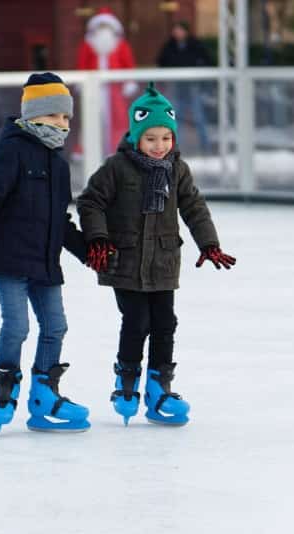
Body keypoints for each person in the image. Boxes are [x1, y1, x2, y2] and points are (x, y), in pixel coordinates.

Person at [76, 83, 236, 427]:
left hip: (163, 261)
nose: (159, 146)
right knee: (137, 321)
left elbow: (194, 206)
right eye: (151, 138)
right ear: (136, 137)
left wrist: (208, 243)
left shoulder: (178, 169)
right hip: (125, 260)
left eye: (166, 138)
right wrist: (99, 239)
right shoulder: (116, 167)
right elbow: (90, 202)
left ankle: (159, 387)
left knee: (165, 323)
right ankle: (127, 382)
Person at [0, 73, 90, 434]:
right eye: (54, 117)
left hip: (45, 261)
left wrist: (87, 252)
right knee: (17, 325)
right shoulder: (13, 150)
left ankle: (44, 393)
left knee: (56, 326)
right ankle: (4, 386)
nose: (62, 125)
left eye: (66, 118)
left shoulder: (59, 165)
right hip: (11, 259)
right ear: (33, 117)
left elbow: (61, 220)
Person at [76, 8, 138, 154]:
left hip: (114, 87)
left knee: (118, 118)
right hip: (93, 87)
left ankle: (118, 147)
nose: (104, 30)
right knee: (91, 117)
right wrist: (81, 82)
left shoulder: (121, 45)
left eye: (107, 27)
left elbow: (128, 64)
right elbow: (82, 64)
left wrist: (129, 81)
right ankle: (87, 149)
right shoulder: (88, 44)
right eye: (101, 27)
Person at [157, 21, 212, 152]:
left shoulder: (195, 45)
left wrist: (202, 82)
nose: (177, 33)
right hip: (176, 88)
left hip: (193, 87)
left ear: (186, 31)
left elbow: (206, 61)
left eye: (179, 30)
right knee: (175, 117)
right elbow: (162, 63)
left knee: (199, 117)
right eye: (175, 30)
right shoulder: (169, 46)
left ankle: (206, 145)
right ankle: (175, 146)